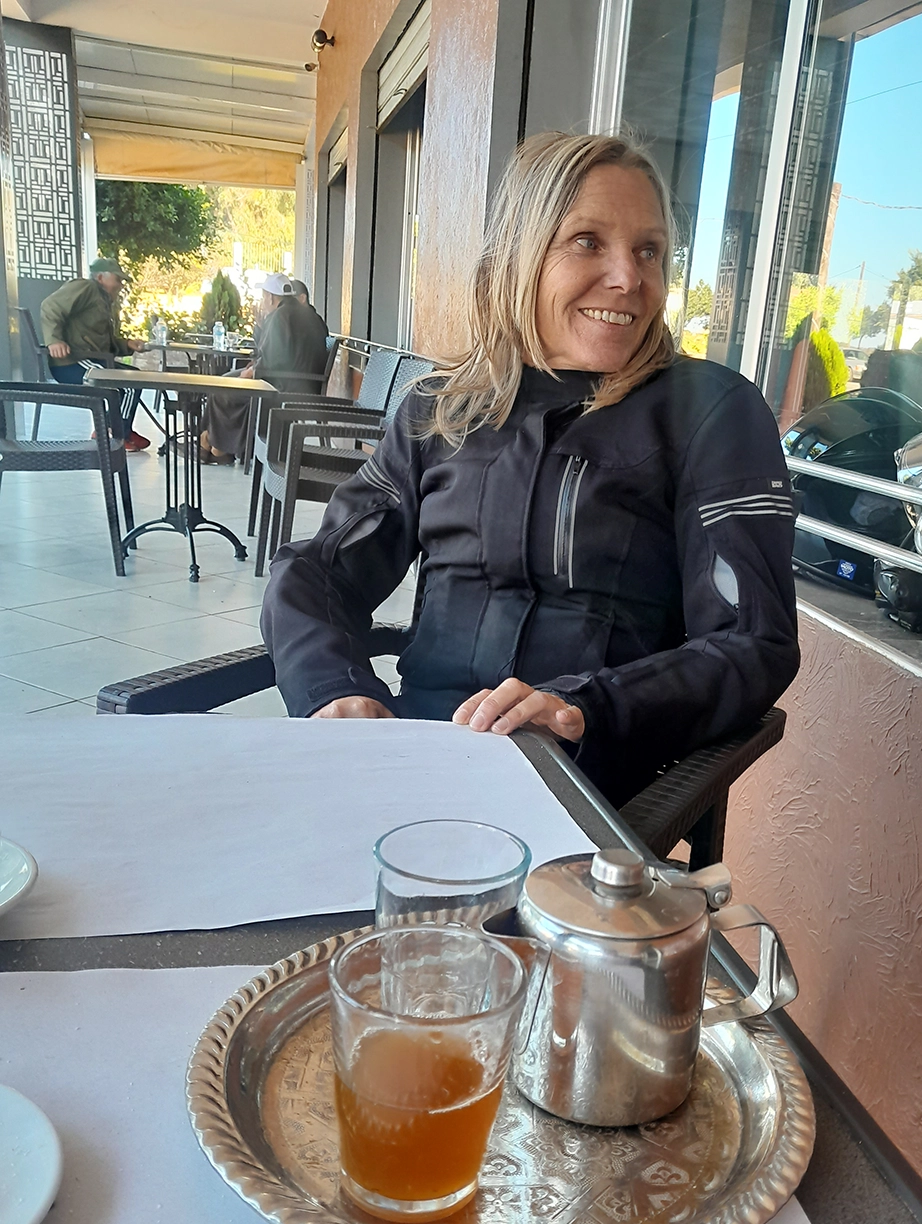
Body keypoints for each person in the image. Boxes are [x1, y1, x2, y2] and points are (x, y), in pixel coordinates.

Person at [261, 132, 799, 805]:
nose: (629, 277)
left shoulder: (709, 413)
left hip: (583, 784)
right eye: (588, 242)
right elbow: (318, 570)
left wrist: (583, 707)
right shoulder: (443, 408)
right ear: (520, 256)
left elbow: (754, 640)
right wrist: (333, 687)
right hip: (413, 759)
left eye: (649, 251)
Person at [202, 274, 330, 463]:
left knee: (223, 387)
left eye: (263, 297)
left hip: (284, 385)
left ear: (270, 297)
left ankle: (216, 446)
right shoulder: (313, 317)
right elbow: (280, 352)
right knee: (229, 380)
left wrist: (252, 372)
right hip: (306, 384)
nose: (262, 302)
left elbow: (272, 358)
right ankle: (215, 443)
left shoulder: (279, 316)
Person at [39, 258, 149, 450]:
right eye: (117, 279)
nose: (120, 285)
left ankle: (114, 429)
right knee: (127, 384)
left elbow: (103, 343)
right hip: (73, 362)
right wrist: (54, 340)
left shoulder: (104, 301)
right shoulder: (86, 287)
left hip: (90, 359)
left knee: (135, 377)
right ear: (100, 277)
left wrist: (127, 344)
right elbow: (50, 306)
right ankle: (117, 434)